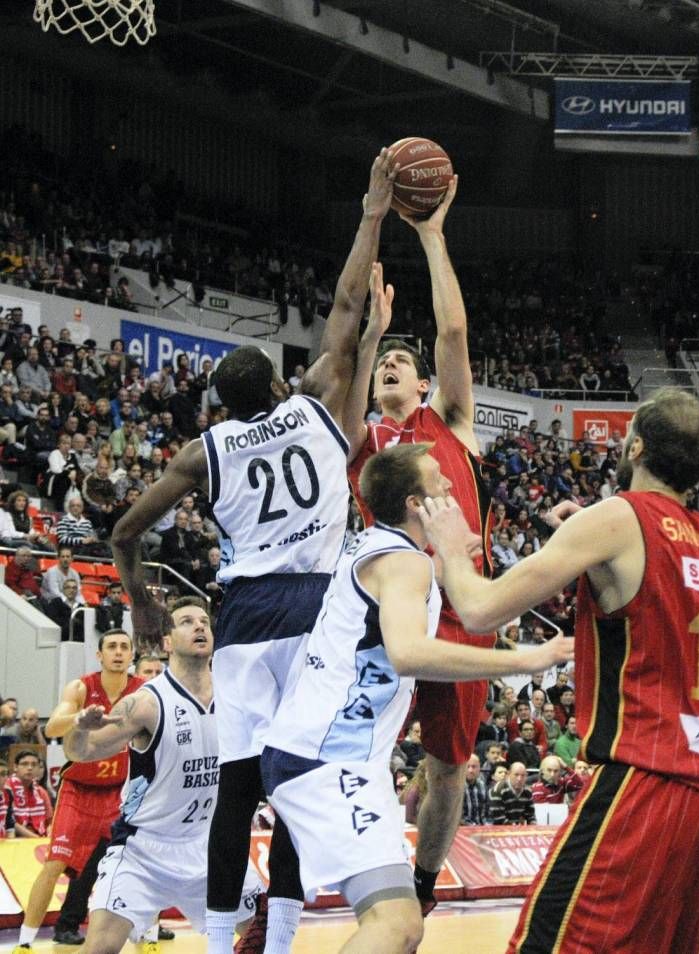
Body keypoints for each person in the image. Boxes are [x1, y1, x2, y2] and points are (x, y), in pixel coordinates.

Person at [109, 150, 400, 954]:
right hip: (317, 609)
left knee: (236, 790)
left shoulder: (202, 454)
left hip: (245, 614)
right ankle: (278, 942)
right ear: (277, 386)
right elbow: (344, 309)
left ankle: (214, 942)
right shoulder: (312, 411)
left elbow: (125, 532)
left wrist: (141, 598)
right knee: (299, 782)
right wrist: (371, 212)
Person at [419, 388, 699, 954]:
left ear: (637, 445)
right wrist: (588, 540)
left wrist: (449, 548)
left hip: (642, 781)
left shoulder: (616, 519)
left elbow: (477, 610)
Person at [261, 443, 574, 954]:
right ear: (414, 503)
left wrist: (540, 536)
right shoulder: (404, 564)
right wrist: (524, 662)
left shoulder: (387, 548)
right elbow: (408, 654)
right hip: (325, 758)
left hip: (329, 755)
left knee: (403, 928)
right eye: (439, 481)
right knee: (398, 926)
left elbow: (474, 591)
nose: (451, 486)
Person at [345, 175, 498, 915]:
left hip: (462, 608)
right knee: (356, 754)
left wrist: (432, 238)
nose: (386, 373)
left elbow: (454, 334)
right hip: (392, 610)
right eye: (380, 369)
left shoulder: (452, 425)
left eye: (398, 364)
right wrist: (368, 336)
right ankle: (335, 877)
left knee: (447, 769)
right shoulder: (363, 443)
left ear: (426, 383)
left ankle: (427, 883)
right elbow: (341, 370)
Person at [60, 598, 261, 954]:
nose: (199, 627)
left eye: (204, 621)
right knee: (99, 949)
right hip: (144, 849)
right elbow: (81, 752)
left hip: (210, 844)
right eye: (186, 621)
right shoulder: (147, 703)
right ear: (166, 642)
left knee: (266, 936)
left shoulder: (236, 694)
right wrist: (78, 728)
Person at [12, 631, 142, 951]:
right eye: (111, 647)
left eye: (124, 647)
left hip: (118, 793)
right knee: (54, 865)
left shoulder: (143, 690)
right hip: (78, 791)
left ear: (131, 655)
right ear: (99, 655)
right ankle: (25, 942)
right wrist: (78, 718)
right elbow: (52, 727)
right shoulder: (82, 687)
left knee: (137, 866)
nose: (118, 652)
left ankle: (144, 934)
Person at [4, 749, 52, 838]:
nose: (30, 768)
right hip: (14, 840)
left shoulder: (41, 792)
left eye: (34, 765)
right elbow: (9, 822)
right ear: (15, 767)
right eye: (24, 764)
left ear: (38, 768)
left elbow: (50, 822)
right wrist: (35, 838)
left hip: (39, 839)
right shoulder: (6, 789)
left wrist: (49, 835)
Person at [462, 753, 488, 825]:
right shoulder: (456, 788)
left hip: (481, 828)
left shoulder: (482, 786)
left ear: (479, 768)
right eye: (467, 767)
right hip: (463, 829)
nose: (470, 770)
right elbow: (458, 819)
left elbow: (486, 813)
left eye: (474, 767)